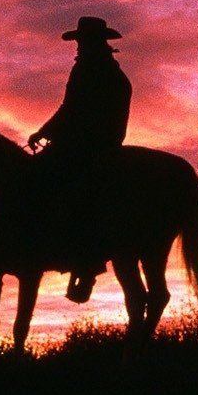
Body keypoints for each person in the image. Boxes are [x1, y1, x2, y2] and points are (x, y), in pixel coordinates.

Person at [27, 16, 131, 302]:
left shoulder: (90, 70)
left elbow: (71, 109)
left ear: (94, 42)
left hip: (87, 144)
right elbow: (73, 109)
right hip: (102, 141)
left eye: (82, 41)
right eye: (79, 41)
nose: (79, 46)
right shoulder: (111, 71)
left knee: (47, 182)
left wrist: (46, 132)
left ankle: (72, 254)